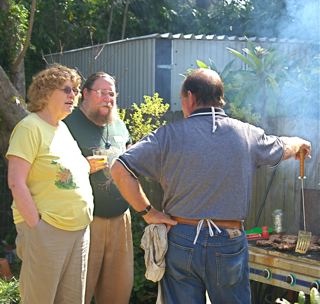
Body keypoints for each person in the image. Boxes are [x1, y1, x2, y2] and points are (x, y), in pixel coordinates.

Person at [110, 68, 312, 304]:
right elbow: (282, 145)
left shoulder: (167, 135)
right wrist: (299, 143)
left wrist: (148, 212)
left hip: (181, 237)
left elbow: (119, 168)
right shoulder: (246, 134)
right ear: (219, 98)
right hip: (228, 239)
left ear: (191, 97)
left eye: (182, 98)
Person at [6, 64, 94, 304]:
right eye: (67, 89)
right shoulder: (29, 127)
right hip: (48, 231)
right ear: (45, 92)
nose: (73, 95)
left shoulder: (63, 129)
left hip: (78, 231)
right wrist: (37, 226)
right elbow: (16, 181)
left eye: (75, 91)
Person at [64, 72, 133, 304]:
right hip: (84, 222)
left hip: (121, 220)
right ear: (84, 94)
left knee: (117, 294)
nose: (108, 99)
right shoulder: (67, 125)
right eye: (102, 93)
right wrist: (82, 166)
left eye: (111, 94)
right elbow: (50, 170)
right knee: (77, 293)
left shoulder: (119, 125)